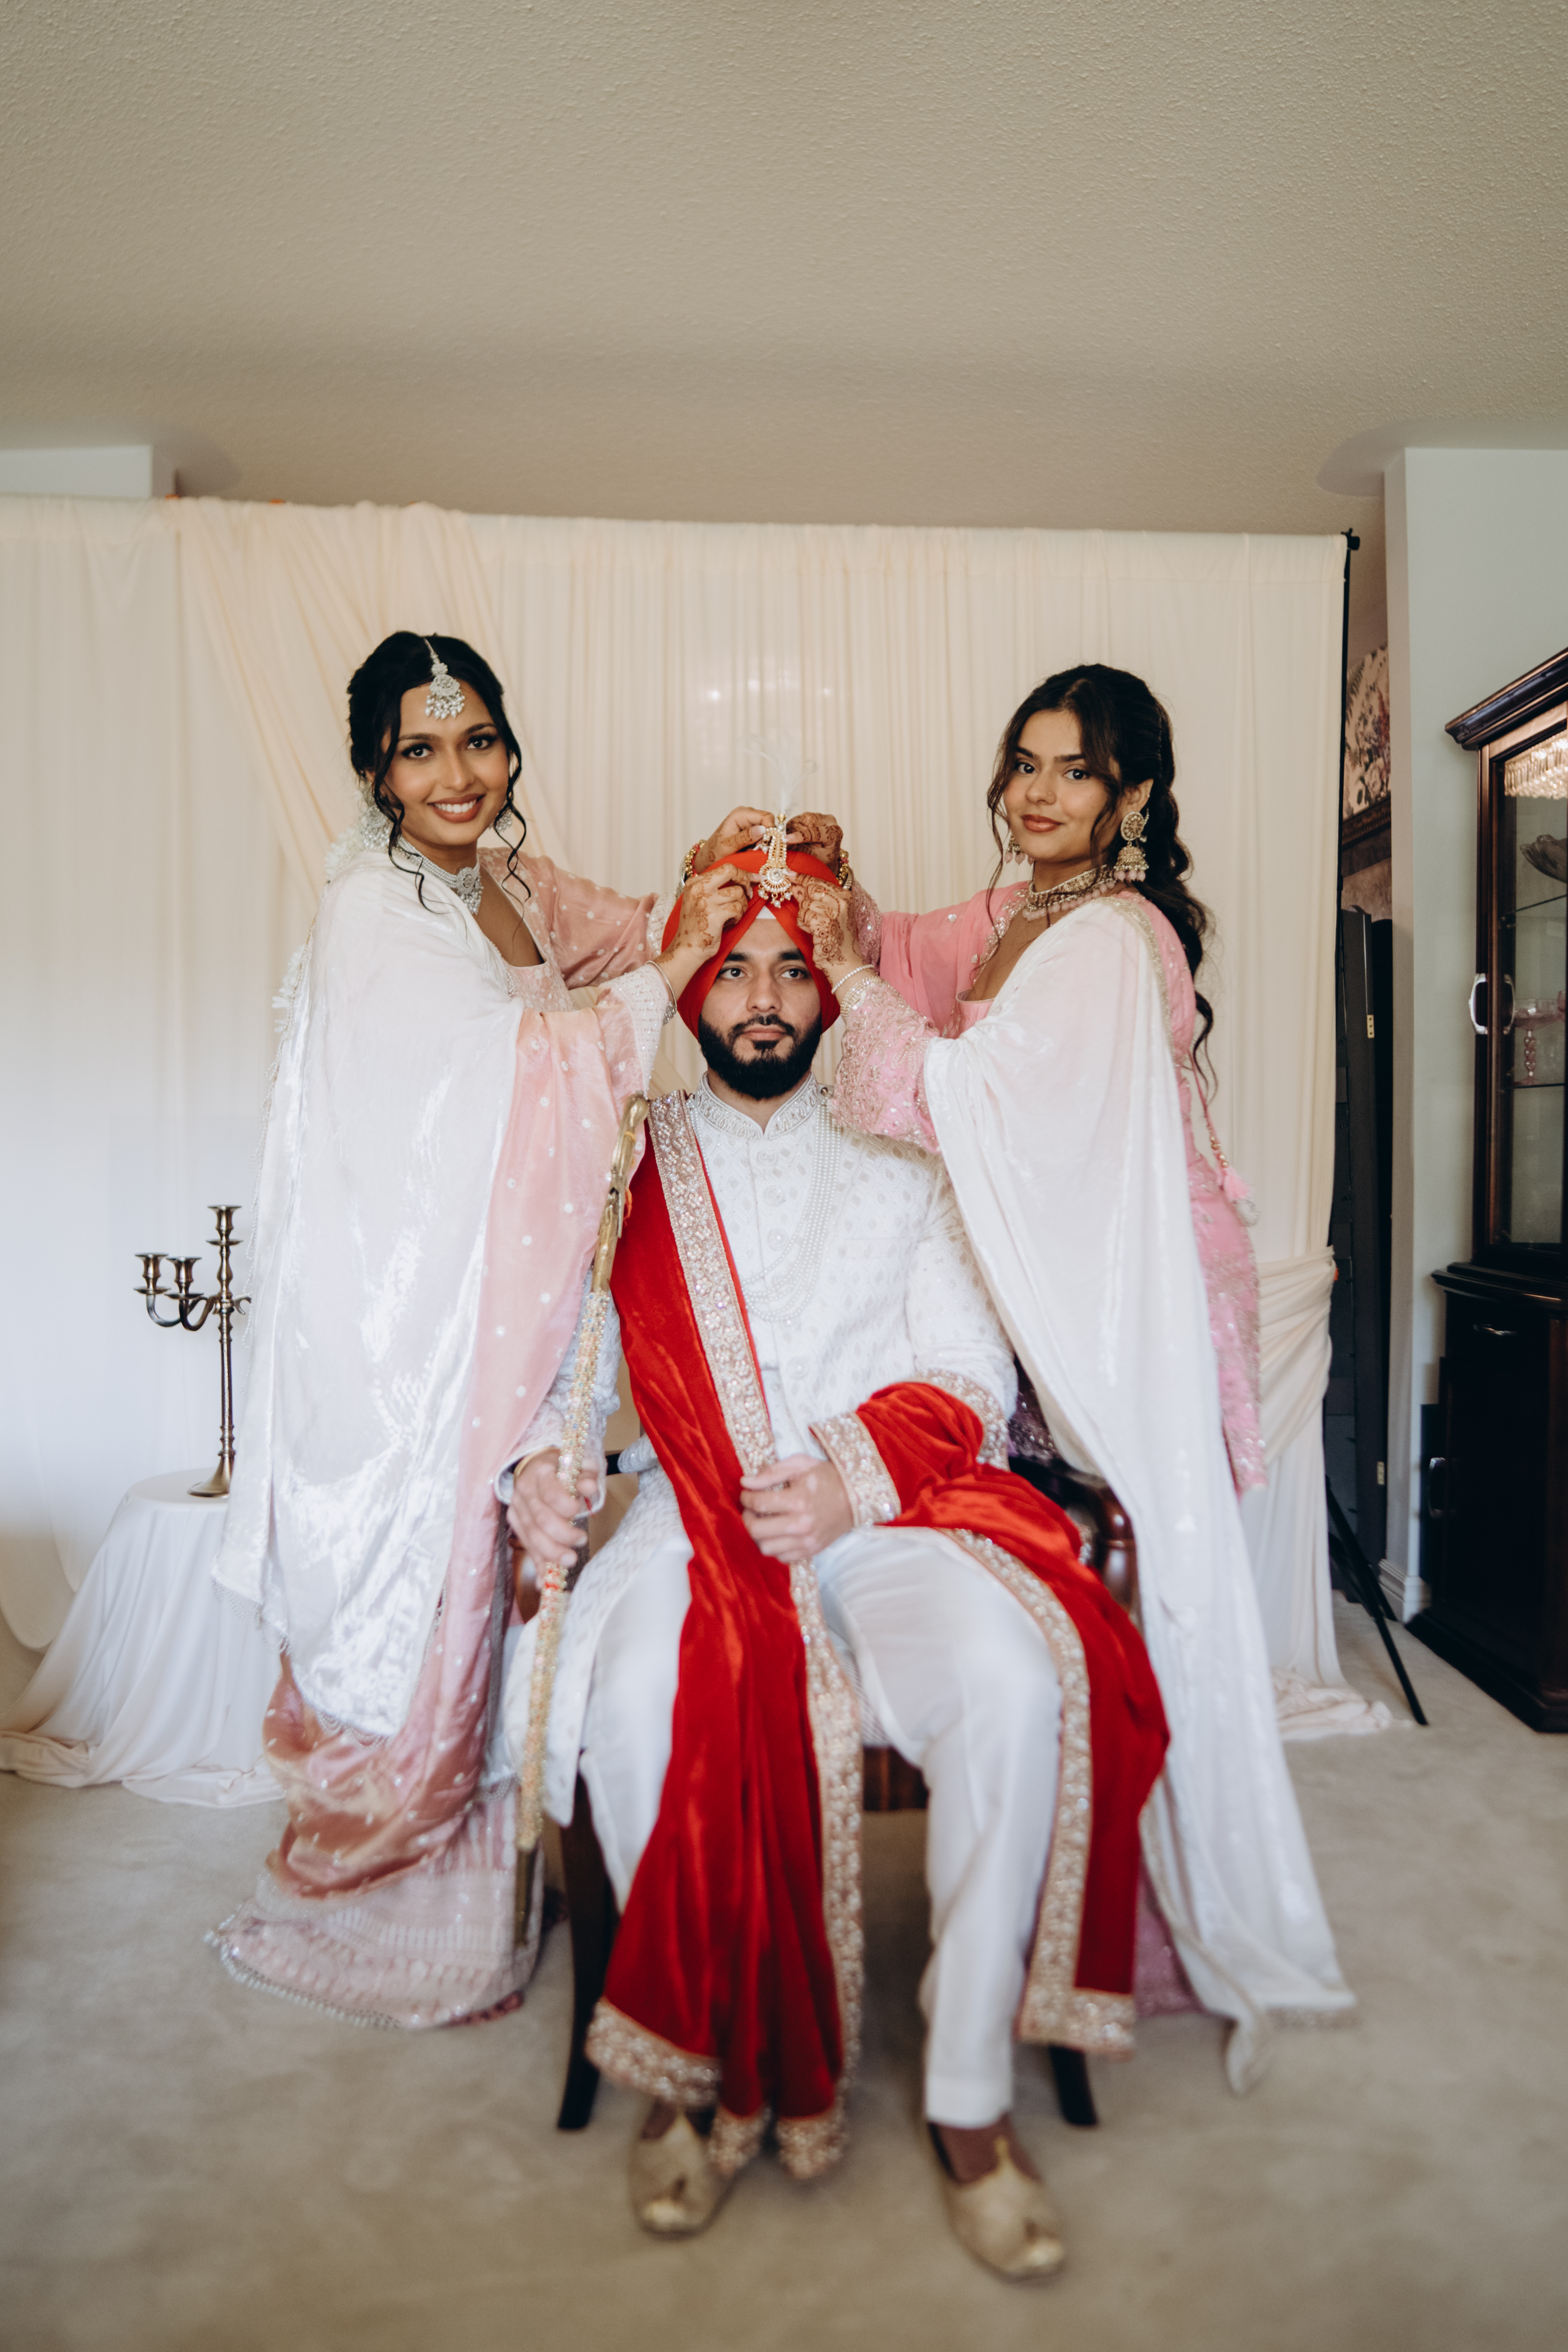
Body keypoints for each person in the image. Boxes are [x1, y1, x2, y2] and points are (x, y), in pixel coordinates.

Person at [504, 842, 1168, 2280]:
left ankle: (970, 2099)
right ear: (691, 988)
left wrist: (847, 1480)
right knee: (635, 1700)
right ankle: (686, 2068)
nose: (760, 998)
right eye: (732, 969)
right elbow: (564, 1372)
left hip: (891, 1513)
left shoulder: (906, 1151)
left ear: (831, 989)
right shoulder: (632, 1162)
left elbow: (969, 1372)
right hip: (691, 1519)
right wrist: (537, 1472)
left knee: (1010, 1685)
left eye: (790, 972)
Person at [208, 630, 773, 2027]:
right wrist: (663, 980)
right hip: (406, 1317)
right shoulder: (377, 911)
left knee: (524, 1541)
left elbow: (635, 930)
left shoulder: (507, 880)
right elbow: (517, 1073)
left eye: (477, 742)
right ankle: (399, 1865)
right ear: (375, 771)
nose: (456, 775)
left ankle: (502, 1852)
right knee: (438, 1564)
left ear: (510, 749)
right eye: (420, 749)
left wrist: (721, 880)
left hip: (497, 1292)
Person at [789, 664, 1355, 2057]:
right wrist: (834, 889)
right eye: (1025, 764)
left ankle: (1136, 1905)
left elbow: (970, 1090)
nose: (1039, 794)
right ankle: (1053, 1860)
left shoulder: (1110, 935)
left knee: (1140, 1575)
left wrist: (846, 981)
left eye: (1077, 771)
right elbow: (907, 951)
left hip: (1132, 1290)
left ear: (1134, 797)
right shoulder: (1020, 913)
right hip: (1053, 1283)